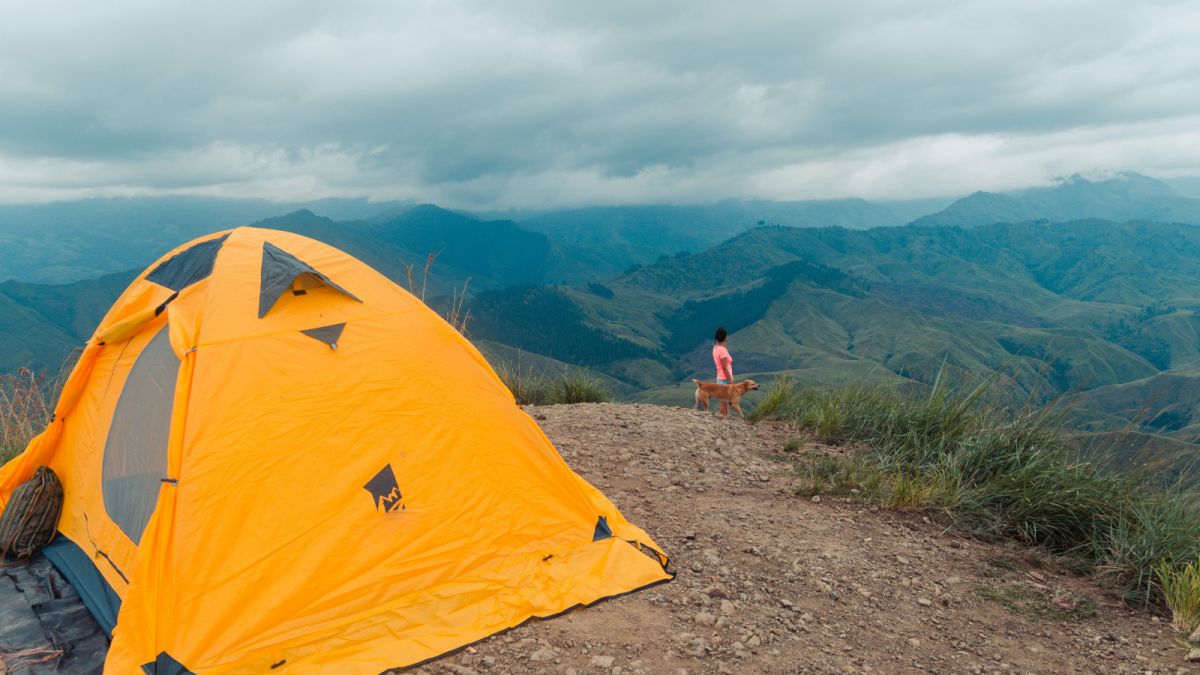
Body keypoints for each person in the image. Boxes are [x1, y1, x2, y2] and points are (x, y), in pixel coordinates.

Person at [712, 326, 733, 416]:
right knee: (725, 404)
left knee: (723, 403)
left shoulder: (715, 348)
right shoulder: (723, 350)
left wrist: (723, 342)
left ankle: (722, 419)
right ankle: (723, 422)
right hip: (725, 378)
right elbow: (725, 368)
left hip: (719, 377)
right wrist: (730, 380)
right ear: (724, 337)